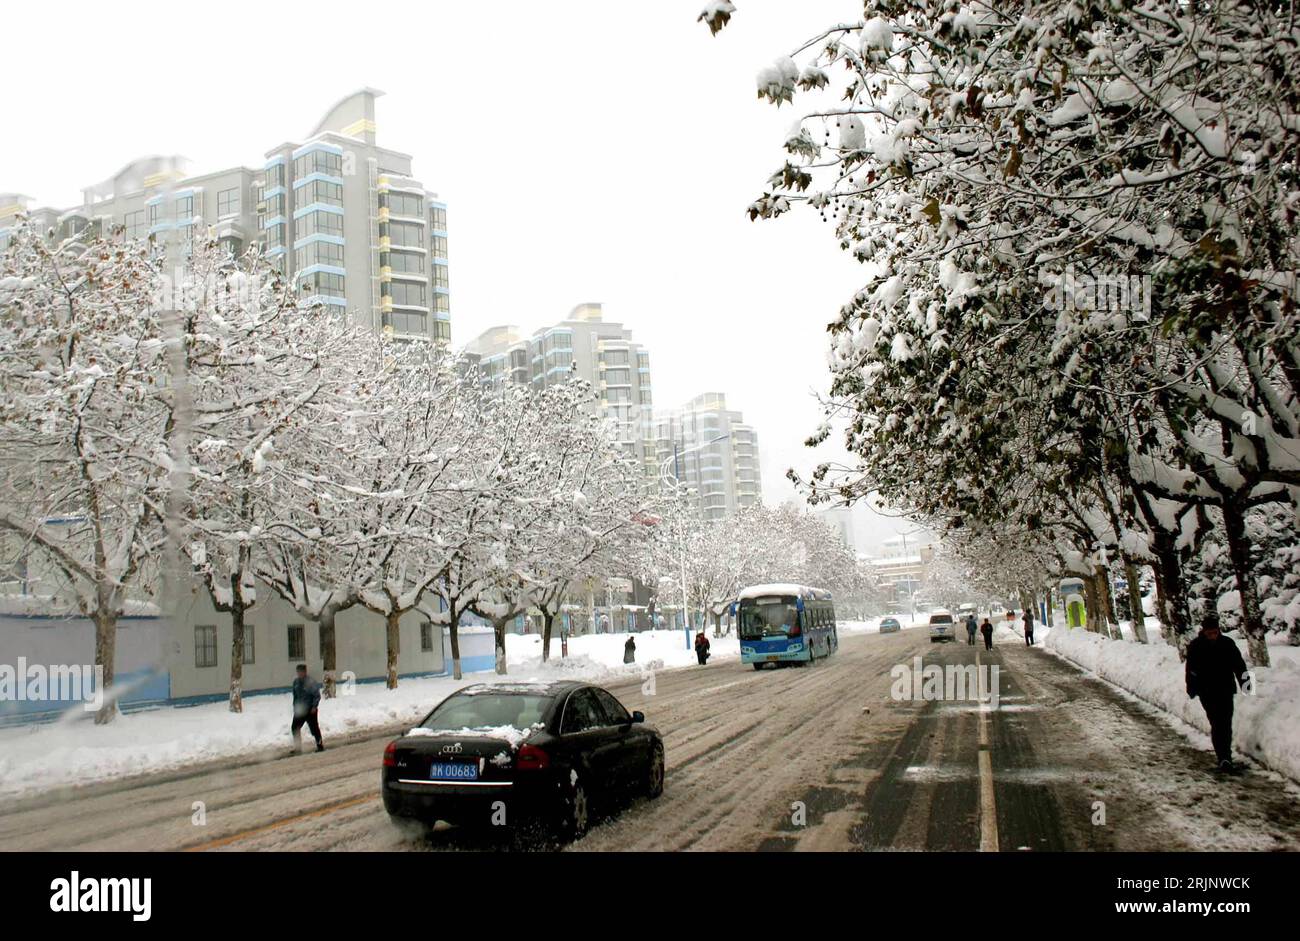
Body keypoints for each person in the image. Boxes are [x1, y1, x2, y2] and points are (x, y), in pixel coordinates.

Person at [1185, 613, 1250, 773]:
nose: (1213, 635)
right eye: (1209, 633)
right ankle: (1223, 757)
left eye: (1215, 632)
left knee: (1225, 723)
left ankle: (1226, 757)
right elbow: (1190, 670)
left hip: (1226, 689)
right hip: (1206, 691)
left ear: (1219, 630)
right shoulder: (1196, 646)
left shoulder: (1227, 643)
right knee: (1216, 722)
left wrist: (1246, 684)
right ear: (1204, 631)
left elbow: (1239, 665)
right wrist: (1191, 688)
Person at [290, 664, 324, 754]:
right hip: (300, 710)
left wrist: (314, 707)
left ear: (305, 672)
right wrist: (295, 705)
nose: (299, 673)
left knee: (314, 728)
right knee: (295, 728)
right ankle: (298, 747)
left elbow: (316, 696)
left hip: (310, 710)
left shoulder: (310, 682)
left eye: (301, 672)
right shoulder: (296, 682)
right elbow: (295, 696)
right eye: (298, 672)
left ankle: (319, 744)